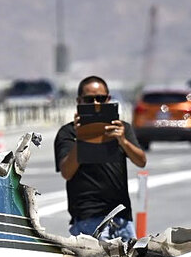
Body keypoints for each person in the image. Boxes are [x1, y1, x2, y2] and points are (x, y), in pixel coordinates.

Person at [54, 76, 147, 241]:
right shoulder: (68, 133)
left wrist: (123, 141)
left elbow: (141, 161)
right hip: (89, 219)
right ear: (79, 101)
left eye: (101, 99)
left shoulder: (120, 129)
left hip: (122, 219)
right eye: (89, 100)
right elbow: (67, 172)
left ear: (108, 99)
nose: (96, 104)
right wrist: (82, 138)